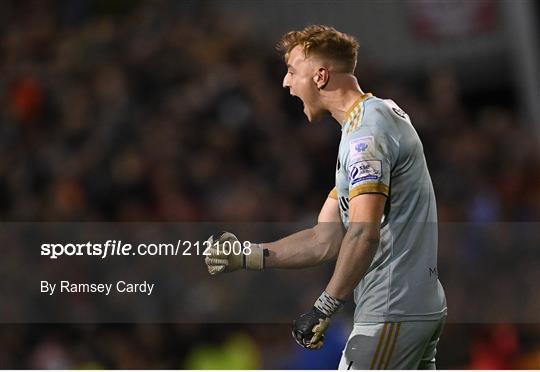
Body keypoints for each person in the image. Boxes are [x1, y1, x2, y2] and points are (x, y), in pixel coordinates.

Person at [205, 25, 447, 369]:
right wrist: (248, 255)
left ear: (320, 76)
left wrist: (325, 306)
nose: (286, 83)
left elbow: (364, 231)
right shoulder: (362, 127)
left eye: (291, 72)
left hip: (393, 307)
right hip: (409, 305)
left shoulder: (367, 134)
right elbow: (326, 238)